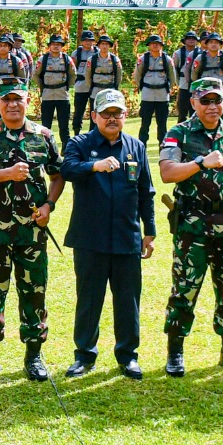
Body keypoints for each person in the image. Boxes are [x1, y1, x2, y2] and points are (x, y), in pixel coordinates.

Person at [0, 78, 65, 380]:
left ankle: (34, 355)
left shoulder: (43, 136)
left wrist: (49, 206)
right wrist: (7, 173)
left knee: (34, 293)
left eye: (17, 98)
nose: (12, 104)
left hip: (31, 233)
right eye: (5, 99)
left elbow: (58, 175)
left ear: (27, 100)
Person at [159, 77, 223, 376]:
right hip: (193, 225)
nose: (213, 106)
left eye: (218, 100)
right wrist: (201, 162)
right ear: (194, 103)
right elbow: (167, 172)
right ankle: (175, 352)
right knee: (185, 288)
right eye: (206, 101)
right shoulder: (179, 135)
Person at [60, 89, 156, 378]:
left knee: (128, 300)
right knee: (89, 299)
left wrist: (149, 231)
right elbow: (67, 169)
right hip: (90, 238)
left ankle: (128, 356)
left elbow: (146, 192)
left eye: (118, 114)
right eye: (106, 114)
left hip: (127, 237)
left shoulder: (136, 147)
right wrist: (94, 166)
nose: (112, 119)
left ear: (125, 116)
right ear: (94, 116)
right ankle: (84, 356)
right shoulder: (80, 143)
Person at [132, 33, 176, 145]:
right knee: (145, 124)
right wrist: (143, 86)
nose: (155, 46)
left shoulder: (167, 59)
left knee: (162, 125)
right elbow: (137, 75)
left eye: (157, 44)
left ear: (161, 45)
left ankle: (163, 148)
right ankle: (141, 147)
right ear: (149, 45)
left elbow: (172, 76)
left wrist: (168, 89)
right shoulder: (143, 59)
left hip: (162, 96)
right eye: (153, 44)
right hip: (147, 95)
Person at [34, 34, 78, 139]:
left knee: (64, 124)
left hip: (62, 94)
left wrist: (67, 86)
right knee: (46, 124)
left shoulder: (67, 59)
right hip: (47, 95)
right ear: (49, 46)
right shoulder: (42, 59)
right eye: (53, 44)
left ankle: (65, 148)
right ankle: (46, 147)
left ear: (62, 46)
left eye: (58, 44)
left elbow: (73, 74)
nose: (56, 46)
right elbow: (35, 75)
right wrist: (43, 86)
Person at [72, 30, 99, 135]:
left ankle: (93, 132)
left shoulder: (97, 53)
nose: (88, 42)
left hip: (94, 86)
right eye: (86, 40)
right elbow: (72, 68)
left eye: (90, 40)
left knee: (94, 110)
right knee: (79, 110)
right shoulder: (76, 53)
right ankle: (76, 132)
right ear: (81, 42)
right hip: (80, 85)